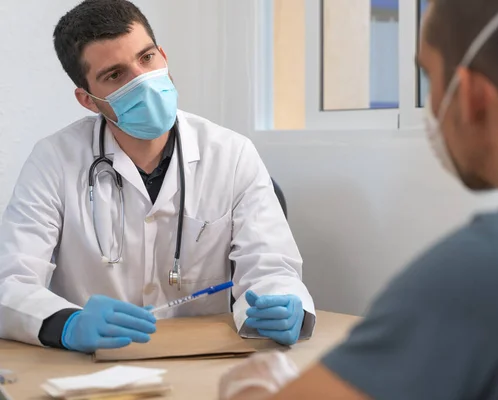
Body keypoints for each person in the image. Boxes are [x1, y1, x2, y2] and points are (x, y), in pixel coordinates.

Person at [219, 0, 498, 398]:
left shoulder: (487, 272)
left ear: (471, 96)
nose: (432, 106)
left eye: (429, 78)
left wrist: (257, 390)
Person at [0, 0, 315, 353]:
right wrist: (66, 323)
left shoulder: (232, 154)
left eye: (146, 58)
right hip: (92, 367)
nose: (143, 82)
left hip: (207, 362)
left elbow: (271, 267)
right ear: (88, 100)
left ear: (162, 55)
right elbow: (11, 283)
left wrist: (282, 305)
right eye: (115, 75)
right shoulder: (53, 161)